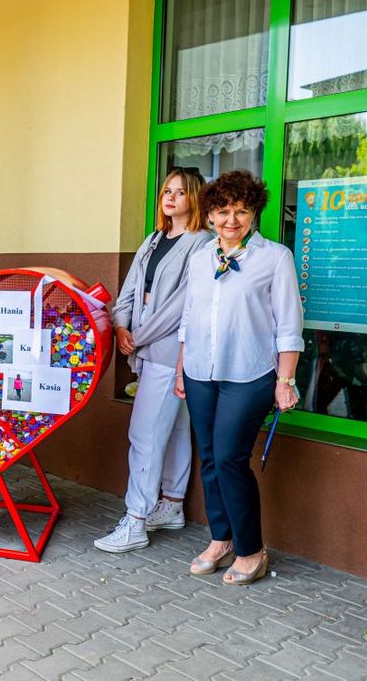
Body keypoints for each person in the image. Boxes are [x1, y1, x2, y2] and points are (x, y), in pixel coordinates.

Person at [175, 170, 303, 585]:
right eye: (223, 211)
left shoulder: (274, 257)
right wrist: (181, 369)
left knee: (230, 458)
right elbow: (189, 318)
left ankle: (251, 550)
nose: (232, 220)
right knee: (209, 458)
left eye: (242, 211)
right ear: (210, 213)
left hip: (249, 373)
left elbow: (288, 324)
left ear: (254, 214)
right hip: (199, 371)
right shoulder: (199, 258)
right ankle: (221, 539)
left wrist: (285, 380)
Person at [94, 167, 211, 554]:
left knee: (144, 434)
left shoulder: (202, 243)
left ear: (195, 198)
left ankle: (136, 520)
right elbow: (128, 291)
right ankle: (173, 505)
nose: (171, 197)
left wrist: (138, 338)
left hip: (168, 351)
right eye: (167, 190)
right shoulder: (154, 239)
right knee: (175, 428)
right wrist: (121, 325)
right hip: (143, 346)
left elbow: (183, 306)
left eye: (180, 192)